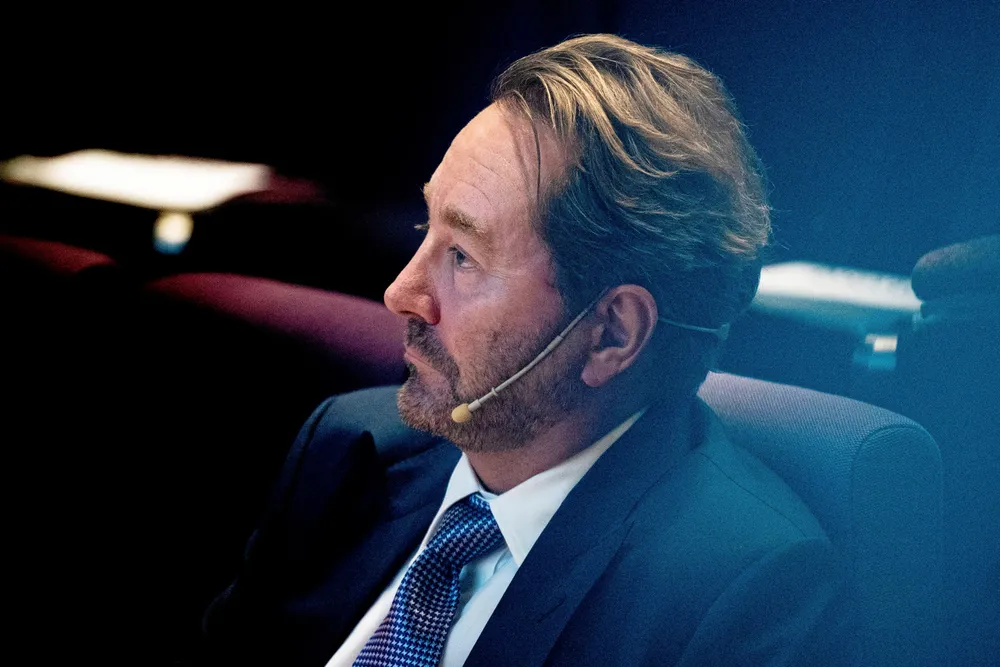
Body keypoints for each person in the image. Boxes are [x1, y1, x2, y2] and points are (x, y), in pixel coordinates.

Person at [200, 34, 848, 666]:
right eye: (429, 227)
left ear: (611, 334)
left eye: (463, 256)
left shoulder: (737, 598)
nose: (401, 293)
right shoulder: (348, 450)